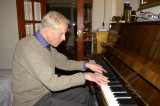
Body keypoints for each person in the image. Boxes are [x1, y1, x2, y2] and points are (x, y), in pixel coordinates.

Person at [12, 11, 109, 106]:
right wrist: (84, 76)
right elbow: (53, 83)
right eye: (61, 34)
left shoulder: (45, 45)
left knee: (84, 94)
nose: (64, 38)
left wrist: (86, 65)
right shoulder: (29, 47)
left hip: (46, 92)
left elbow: (63, 62)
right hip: (32, 101)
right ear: (48, 29)